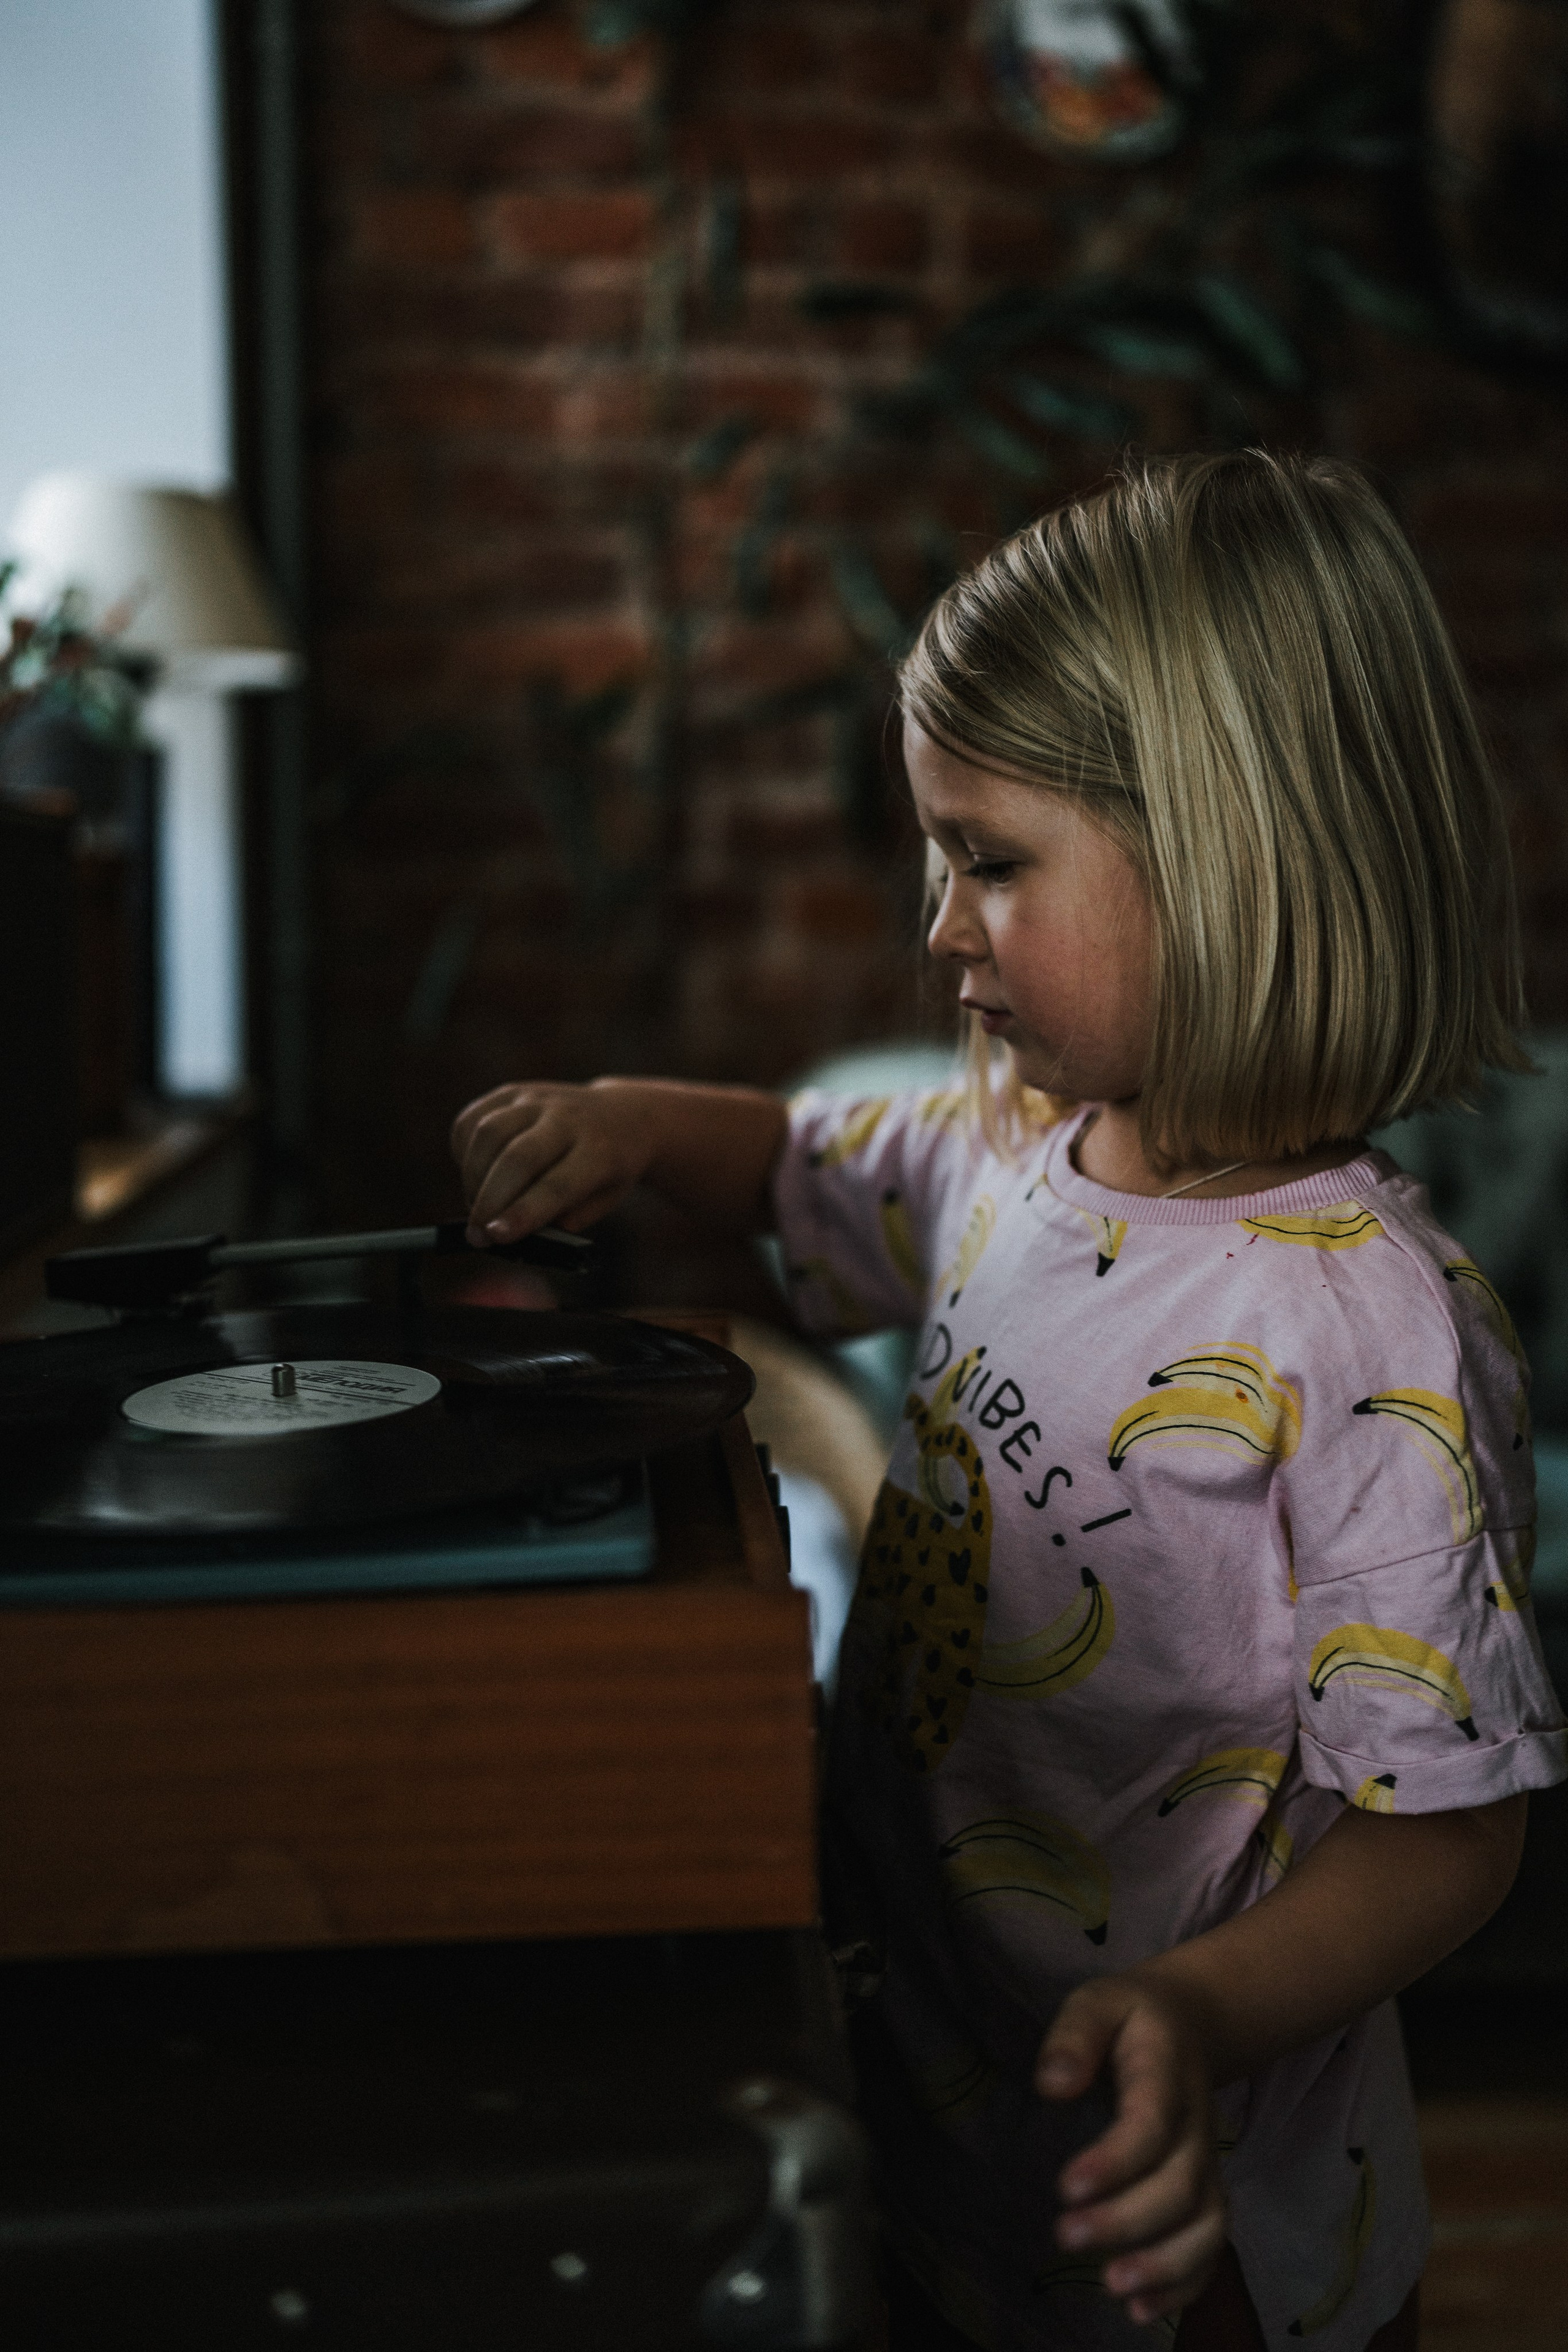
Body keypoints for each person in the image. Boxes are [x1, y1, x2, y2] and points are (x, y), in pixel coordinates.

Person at [450, 451, 1567, 2352]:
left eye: (992, 860)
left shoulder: (1373, 1333)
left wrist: (1201, 2010)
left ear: (1236, 857)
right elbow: (805, 1166)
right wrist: (641, 1128)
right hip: (934, 2067)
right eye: (936, 857)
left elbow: (1451, 1826)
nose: (942, 930)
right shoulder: (1013, 1147)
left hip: (1180, 2181)